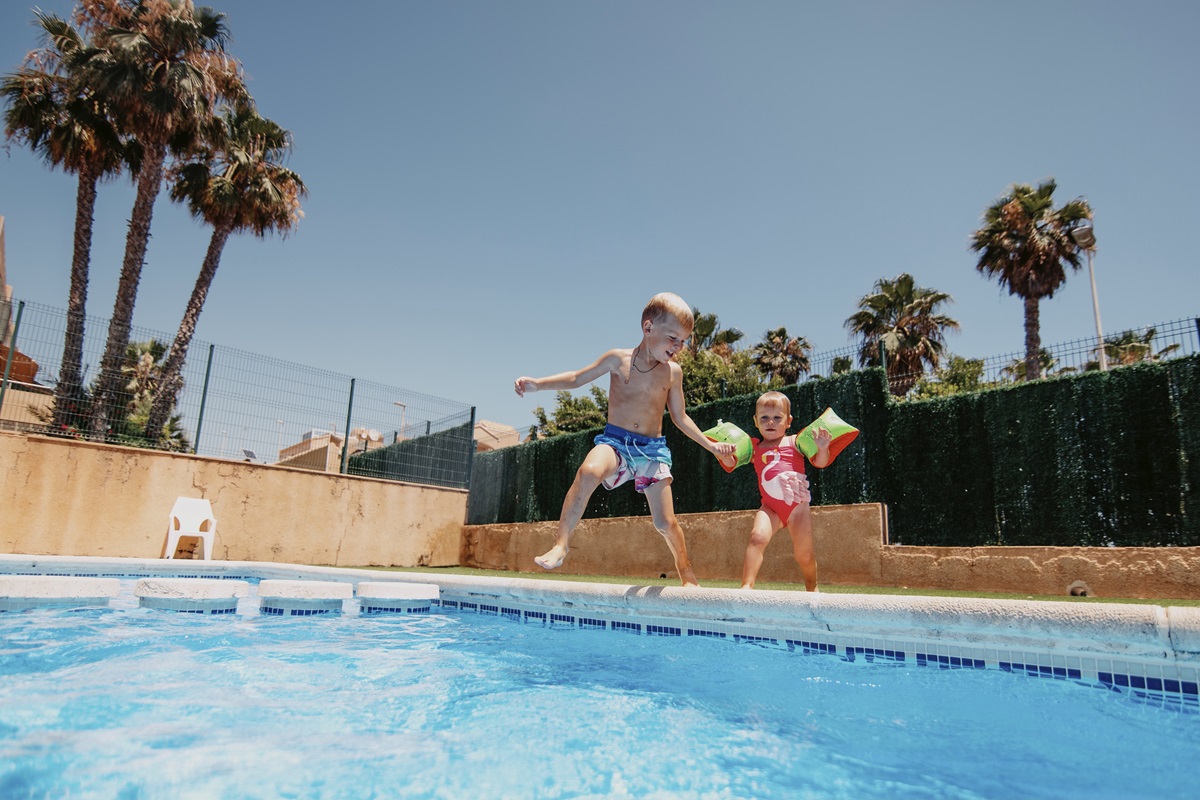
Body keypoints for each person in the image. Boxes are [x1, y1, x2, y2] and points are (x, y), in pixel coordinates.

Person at [513, 292, 735, 586]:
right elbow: (577, 378)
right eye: (672, 338)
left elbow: (681, 418)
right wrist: (537, 384)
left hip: (652, 451)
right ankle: (560, 544)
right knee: (589, 471)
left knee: (664, 523)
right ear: (648, 328)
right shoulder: (617, 359)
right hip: (615, 442)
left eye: (682, 341)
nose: (678, 347)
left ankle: (685, 570)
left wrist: (711, 446)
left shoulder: (673, 374)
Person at [731, 390, 832, 591]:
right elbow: (731, 462)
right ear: (756, 421)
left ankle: (812, 588)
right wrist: (725, 452)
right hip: (770, 507)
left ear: (788, 421)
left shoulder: (796, 441)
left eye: (777, 418)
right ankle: (746, 587)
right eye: (764, 418)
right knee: (757, 537)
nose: (770, 422)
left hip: (797, 507)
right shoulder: (754, 447)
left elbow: (821, 463)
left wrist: (822, 448)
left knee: (804, 555)